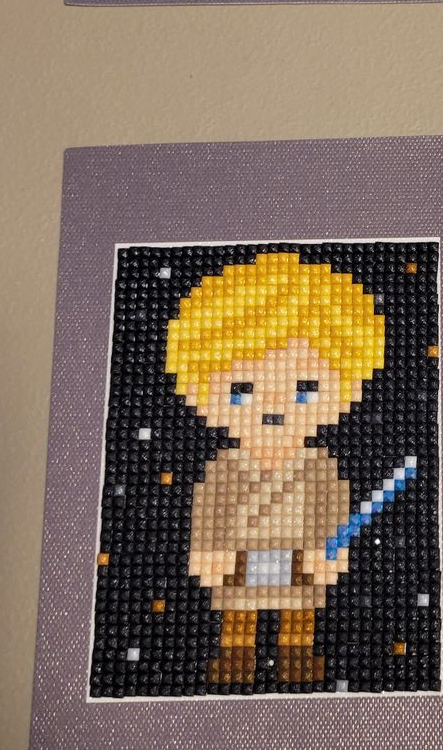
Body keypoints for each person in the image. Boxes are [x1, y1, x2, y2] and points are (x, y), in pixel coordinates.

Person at [164, 252, 384, 684]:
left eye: (305, 389)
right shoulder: (225, 468)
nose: (273, 403)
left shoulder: (319, 467)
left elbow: (332, 510)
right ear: (197, 393)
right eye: (241, 389)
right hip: (239, 559)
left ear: (346, 391)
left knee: (298, 612)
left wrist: (329, 553)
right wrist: (208, 553)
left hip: (299, 558)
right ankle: (235, 660)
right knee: (238, 612)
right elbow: (209, 512)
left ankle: (295, 659)